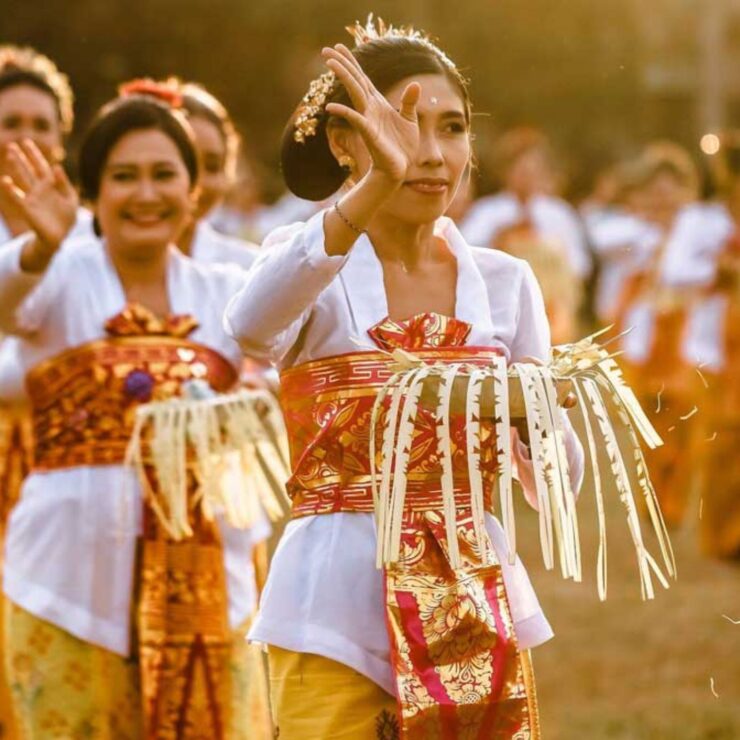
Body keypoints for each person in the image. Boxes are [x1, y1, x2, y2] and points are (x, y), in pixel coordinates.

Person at [226, 18, 583, 738]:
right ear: (343, 141)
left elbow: (557, 487)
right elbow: (250, 329)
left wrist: (530, 408)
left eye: (451, 128)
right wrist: (371, 190)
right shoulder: (307, 263)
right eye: (402, 125)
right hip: (329, 608)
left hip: (471, 603)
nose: (430, 152)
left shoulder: (506, 282)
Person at [0, 85, 269, 738]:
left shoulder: (229, 291)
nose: (145, 194)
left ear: (193, 189)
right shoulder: (58, 274)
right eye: (124, 177)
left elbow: (284, 376)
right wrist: (39, 246)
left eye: (163, 175)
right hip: (65, 591)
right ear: (92, 193)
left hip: (210, 591)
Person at [0, 45, 93, 739]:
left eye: (41, 123)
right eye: (10, 121)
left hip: (65, 468)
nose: (25, 137)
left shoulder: (95, 240)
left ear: (63, 142)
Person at [659, 131, 740, 558]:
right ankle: (722, 537)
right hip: (711, 350)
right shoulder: (700, 220)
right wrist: (718, 273)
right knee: (720, 443)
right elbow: (673, 272)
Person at [615, 142, 701, 528]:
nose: (664, 195)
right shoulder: (632, 234)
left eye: (672, 186)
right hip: (645, 342)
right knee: (647, 423)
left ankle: (674, 503)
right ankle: (651, 500)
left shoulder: (703, 233)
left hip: (687, 339)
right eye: (656, 187)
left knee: (684, 426)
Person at [460, 127, 591, 342]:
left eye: (535, 167)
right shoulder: (487, 212)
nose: (527, 173)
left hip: (552, 311)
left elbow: (580, 265)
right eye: (519, 167)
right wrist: (500, 239)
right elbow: (466, 257)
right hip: (500, 308)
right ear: (505, 171)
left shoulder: (559, 213)